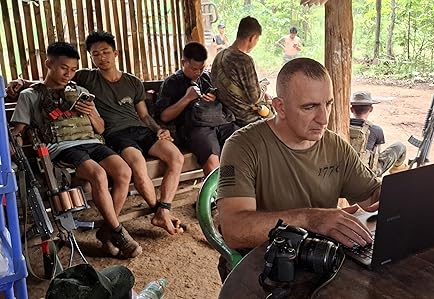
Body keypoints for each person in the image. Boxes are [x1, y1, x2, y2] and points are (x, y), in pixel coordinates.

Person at [216, 58, 381, 280]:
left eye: (328, 104)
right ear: (280, 107)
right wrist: (311, 219)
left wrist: (394, 198)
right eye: (309, 107)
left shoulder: (335, 145)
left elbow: (372, 194)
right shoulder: (242, 146)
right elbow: (234, 230)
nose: (323, 119)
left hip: (318, 260)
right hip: (262, 266)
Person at [8, 32, 185, 236]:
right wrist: (22, 82)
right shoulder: (85, 78)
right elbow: (50, 83)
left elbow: (140, 117)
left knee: (168, 159)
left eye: (105, 52)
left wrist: (158, 129)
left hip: (121, 135)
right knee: (128, 167)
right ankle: (125, 227)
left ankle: (158, 211)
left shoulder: (121, 83)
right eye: (96, 54)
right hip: (99, 140)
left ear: (115, 53)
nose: (102, 57)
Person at [10, 42, 141, 258]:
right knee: (98, 175)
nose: (68, 74)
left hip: (92, 142)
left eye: (72, 70)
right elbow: (19, 130)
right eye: (63, 68)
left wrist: (91, 113)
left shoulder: (81, 91)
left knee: (124, 172)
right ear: (48, 64)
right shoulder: (31, 95)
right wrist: (12, 145)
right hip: (62, 147)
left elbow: (100, 128)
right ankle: (118, 232)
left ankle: (108, 230)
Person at [156, 42, 238, 176]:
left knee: (239, 143)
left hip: (218, 123)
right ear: (183, 62)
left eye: (202, 68)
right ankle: (218, 192)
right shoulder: (172, 83)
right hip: (194, 128)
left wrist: (214, 99)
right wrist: (186, 99)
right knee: (212, 159)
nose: (198, 72)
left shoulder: (207, 77)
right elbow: (164, 116)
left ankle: (233, 185)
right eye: (194, 69)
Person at [211, 16, 271, 127]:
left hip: (227, 113)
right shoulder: (244, 61)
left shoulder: (219, 56)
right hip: (245, 118)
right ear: (253, 38)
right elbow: (255, 97)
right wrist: (264, 85)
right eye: (257, 40)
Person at [350, 91, 408, 176]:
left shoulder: (342, 126)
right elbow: (377, 155)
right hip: (366, 175)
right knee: (400, 146)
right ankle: (398, 171)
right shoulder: (376, 130)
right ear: (371, 109)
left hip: (344, 170)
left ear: (352, 109)